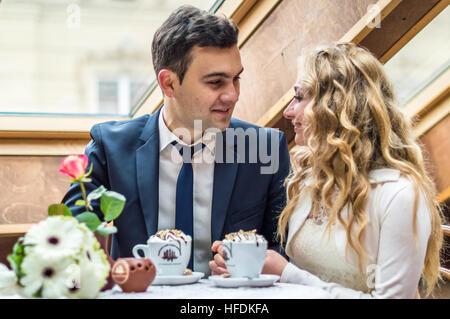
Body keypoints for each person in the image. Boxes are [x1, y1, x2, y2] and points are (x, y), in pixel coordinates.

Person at [62, 5, 290, 275]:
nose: (232, 95)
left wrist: (252, 266)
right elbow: (67, 241)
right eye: (216, 82)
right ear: (168, 84)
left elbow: (283, 251)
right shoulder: (109, 148)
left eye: (236, 79)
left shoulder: (266, 148)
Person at [210, 43, 444, 298]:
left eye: (299, 97)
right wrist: (248, 263)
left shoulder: (399, 195)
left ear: (337, 107)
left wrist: (286, 274)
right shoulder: (307, 179)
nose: (288, 112)